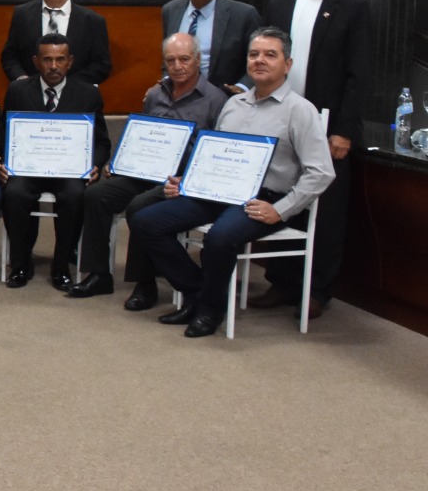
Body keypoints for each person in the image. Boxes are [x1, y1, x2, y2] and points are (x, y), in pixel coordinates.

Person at [130, 27, 335, 337]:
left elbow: (321, 172)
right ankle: (200, 292)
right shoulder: (233, 104)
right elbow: (214, 155)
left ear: (287, 64)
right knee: (147, 221)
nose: (260, 61)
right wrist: (186, 182)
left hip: (264, 200)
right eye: (254, 54)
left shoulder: (300, 111)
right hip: (219, 190)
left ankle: (210, 311)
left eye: (270, 54)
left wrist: (281, 210)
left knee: (220, 238)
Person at [65, 32, 228, 305]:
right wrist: (119, 162)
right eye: (170, 60)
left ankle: (145, 283)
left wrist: (187, 179)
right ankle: (99, 274)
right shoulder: (154, 94)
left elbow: (216, 155)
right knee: (96, 195)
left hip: (180, 182)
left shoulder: (216, 100)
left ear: (198, 60)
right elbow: (140, 135)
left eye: (184, 59)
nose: (177, 66)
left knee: (140, 206)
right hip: (143, 171)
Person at [259, 0, 369, 319]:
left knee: (327, 210)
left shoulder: (352, 7)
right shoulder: (278, 4)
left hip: (327, 127)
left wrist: (344, 129)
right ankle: (281, 282)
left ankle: (317, 289)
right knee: (283, 199)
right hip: (283, 120)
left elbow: (358, 75)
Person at [0, 34, 111, 290]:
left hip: (69, 171)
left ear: (70, 62)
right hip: (27, 168)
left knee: (74, 196)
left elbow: (102, 141)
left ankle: (61, 266)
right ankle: (21, 264)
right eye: (47, 60)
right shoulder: (18, 91)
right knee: (14, 193)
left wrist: (94, 164)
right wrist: (2, 162)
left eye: (60, 60)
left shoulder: (87, 94)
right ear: (36, 62)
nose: (53, 66)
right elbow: (4, 132)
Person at [0, 0, 112, 86]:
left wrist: (67, 86)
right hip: (30, 94)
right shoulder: (22, 14)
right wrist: (22, 80)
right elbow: (10, 56)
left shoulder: (92, 20)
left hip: (75, 96)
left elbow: (101, 65)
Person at [160, 0, 262, 92]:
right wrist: (166, 81)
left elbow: (258, 60)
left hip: (225, 98)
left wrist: (241, 88)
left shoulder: (243, 15)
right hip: (179, 97)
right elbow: (168, 57)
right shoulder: (171, 10)